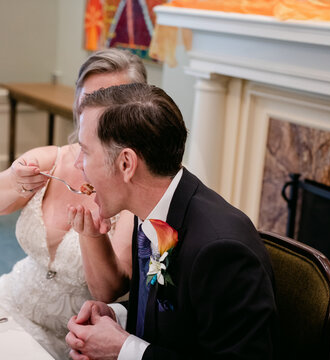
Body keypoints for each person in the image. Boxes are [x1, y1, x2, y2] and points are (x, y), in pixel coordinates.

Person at [66, 83, 278, 359]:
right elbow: (173, 312)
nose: (77, 164)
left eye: (86, 151)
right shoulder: (152, 212)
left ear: (126, 164)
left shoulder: (221, 251)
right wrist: (115, 316)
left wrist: (122, 349)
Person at [0, 49, 146, 359]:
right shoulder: (55, 158)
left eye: (111, 104)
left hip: (72, 336)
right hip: (11, 299)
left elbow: (108, 291)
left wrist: (93, 236)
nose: (97, 113)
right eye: (89, 101)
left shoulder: (133, 186)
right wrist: (14, 180)